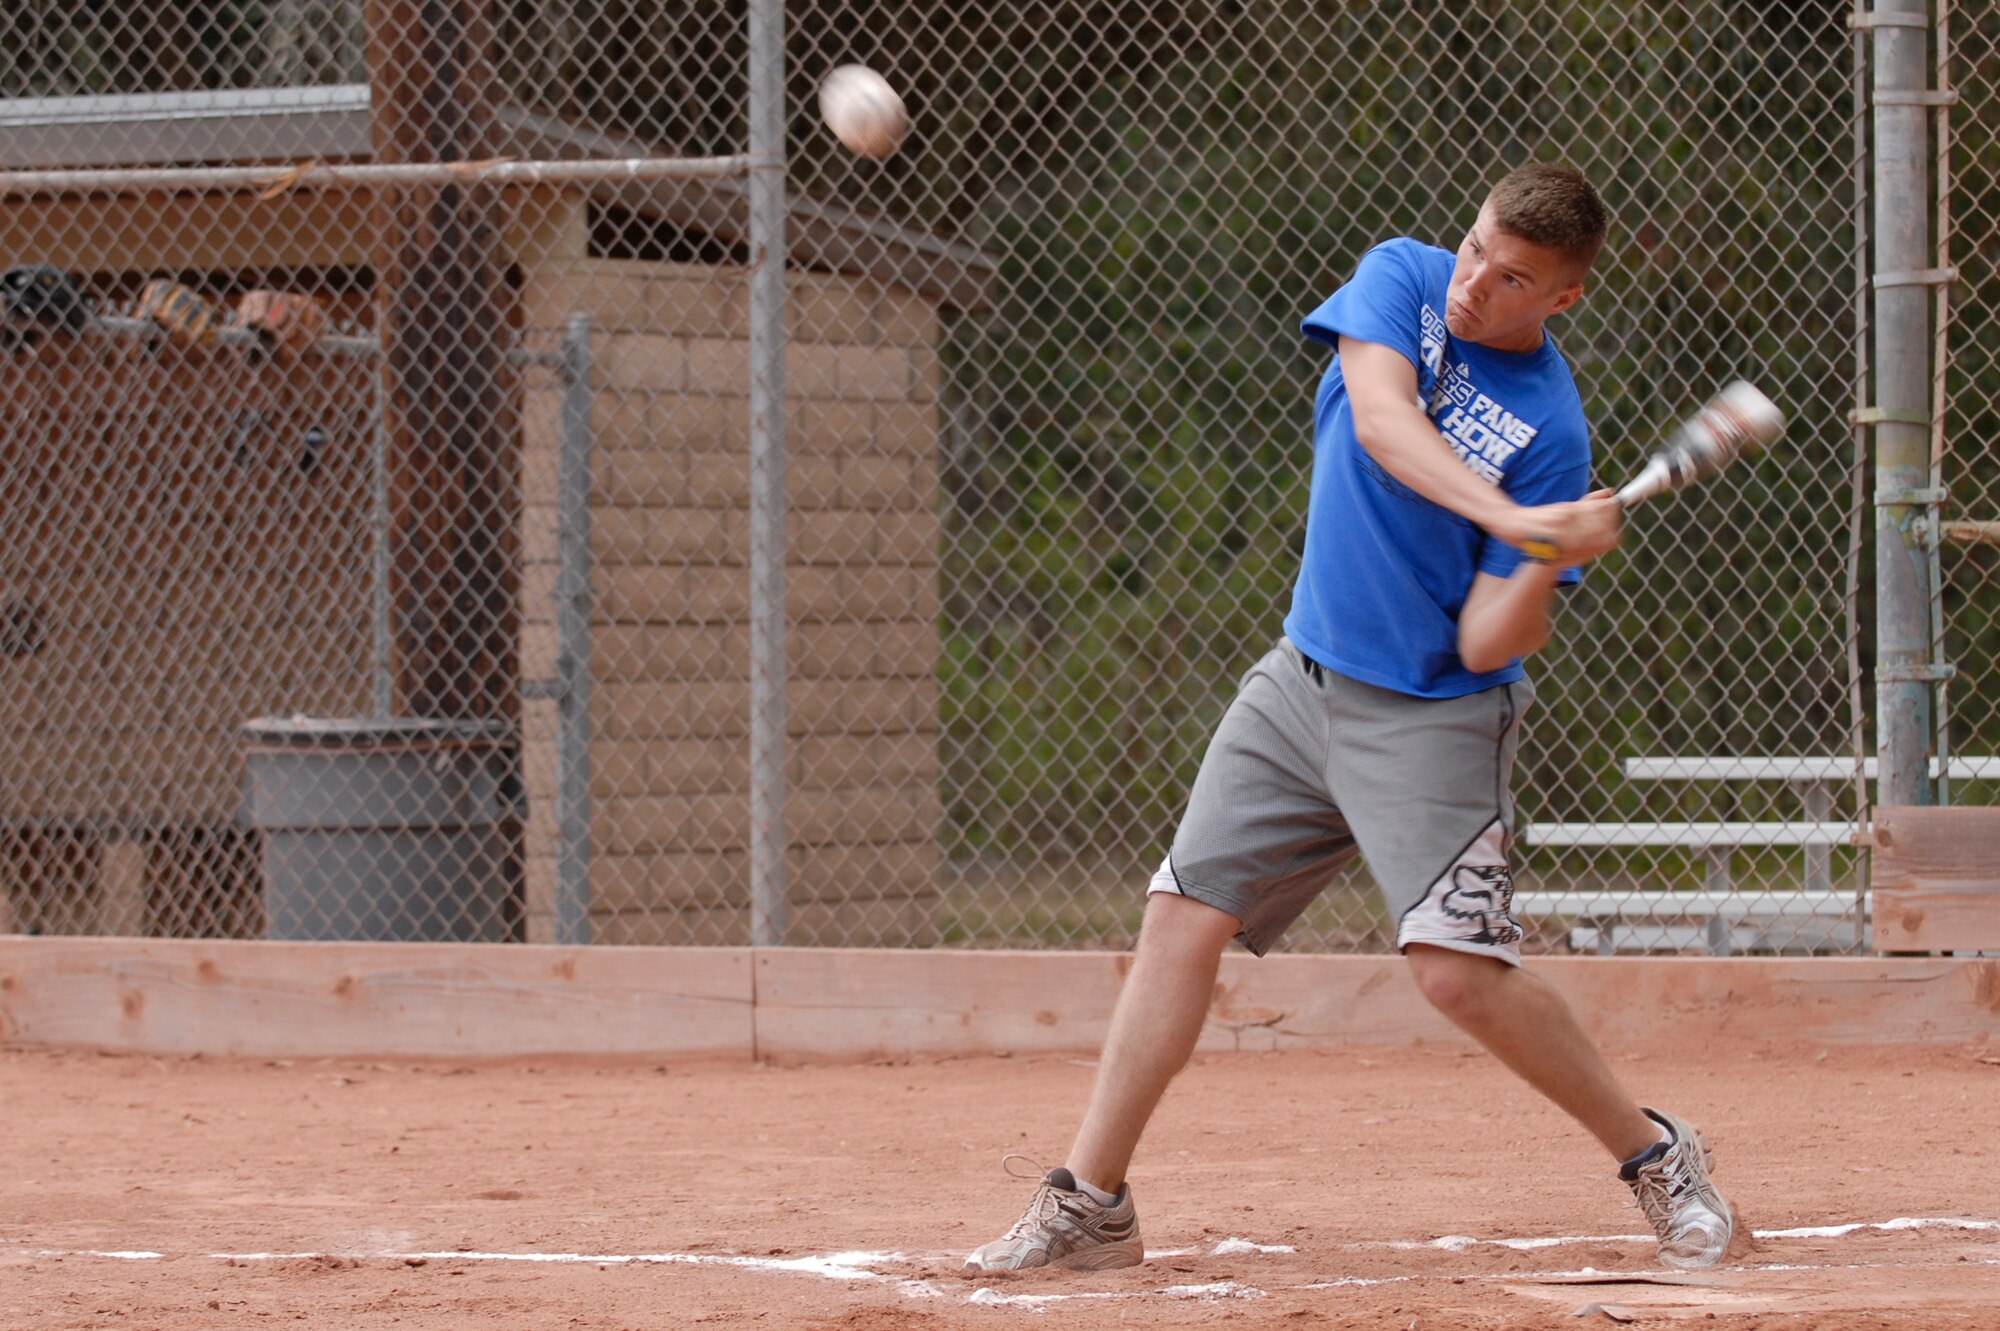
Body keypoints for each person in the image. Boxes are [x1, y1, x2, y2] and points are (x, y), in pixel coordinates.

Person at [964, 163, 1733, 1274]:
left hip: (1430, 714)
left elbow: (1487, 642)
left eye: (1510, 275)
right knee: (1180, 915)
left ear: (1560, 299)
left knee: (1455, 972)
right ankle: (1092, 1202)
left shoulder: (1547, 428)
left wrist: (1533, 555)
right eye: (1475, 247)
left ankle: (1657, 1153)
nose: (1475, 282)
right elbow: (1380, 423)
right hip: (1302, 675)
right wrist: (1516, 516)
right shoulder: (1402, 281)